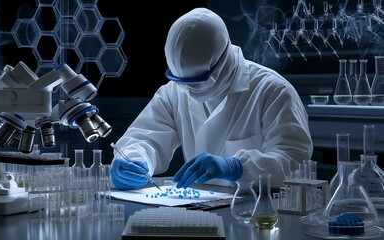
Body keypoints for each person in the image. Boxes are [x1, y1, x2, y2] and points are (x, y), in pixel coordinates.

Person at [110, 7, 313, 190]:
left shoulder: (272, 90)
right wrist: (135, 158)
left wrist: (237, 167)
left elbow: (295, 162)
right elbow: (145, 137)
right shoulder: (174, 91)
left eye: (197, 81)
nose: (188, 90)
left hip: (257, 214)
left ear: (223, 60)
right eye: (181, 81)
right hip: (200, 210)